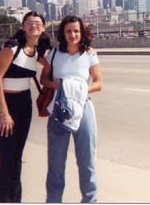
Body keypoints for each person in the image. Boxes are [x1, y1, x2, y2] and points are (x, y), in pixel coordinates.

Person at [0, 11, 51, 203]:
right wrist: (4, 113)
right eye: (30, 23)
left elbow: (57, 63)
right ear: (23, 27)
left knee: (17, 158)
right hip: (5, 105)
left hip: (24, 106)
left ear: (43, 28)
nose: (34, 26)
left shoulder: (38, 51)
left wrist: (85, 51)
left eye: (38, 23)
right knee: (6, 161)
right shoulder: (12, 47)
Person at [40, 15, 103, 203]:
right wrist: (57, 85)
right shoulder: (54, 54)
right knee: (56, 163)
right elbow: (44, 79)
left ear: (82, 32)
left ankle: (89, 200)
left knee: (87, 161)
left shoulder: (90, 54)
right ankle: (53, 200)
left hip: (83, 109)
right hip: (59, 110)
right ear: (63, 33)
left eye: (76, 30)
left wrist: (79, 90)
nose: (73, 34)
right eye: (68, 31)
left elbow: (99, 83)